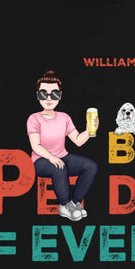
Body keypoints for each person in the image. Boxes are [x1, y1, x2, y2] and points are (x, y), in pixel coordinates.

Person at [27, 71, 99, 221]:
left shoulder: (64, 117)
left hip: (62, 156)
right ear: (37, 95)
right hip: (40, 160)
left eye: (54, 94)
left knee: (91, 166)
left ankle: (75, 203)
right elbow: (35, 145)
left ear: (60, 95)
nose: (48, 98)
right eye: (43, 94)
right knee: (59, 168)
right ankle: (64, 205)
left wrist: (89, 131)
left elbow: (78, 141)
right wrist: (51, 157)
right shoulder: (34, 118)